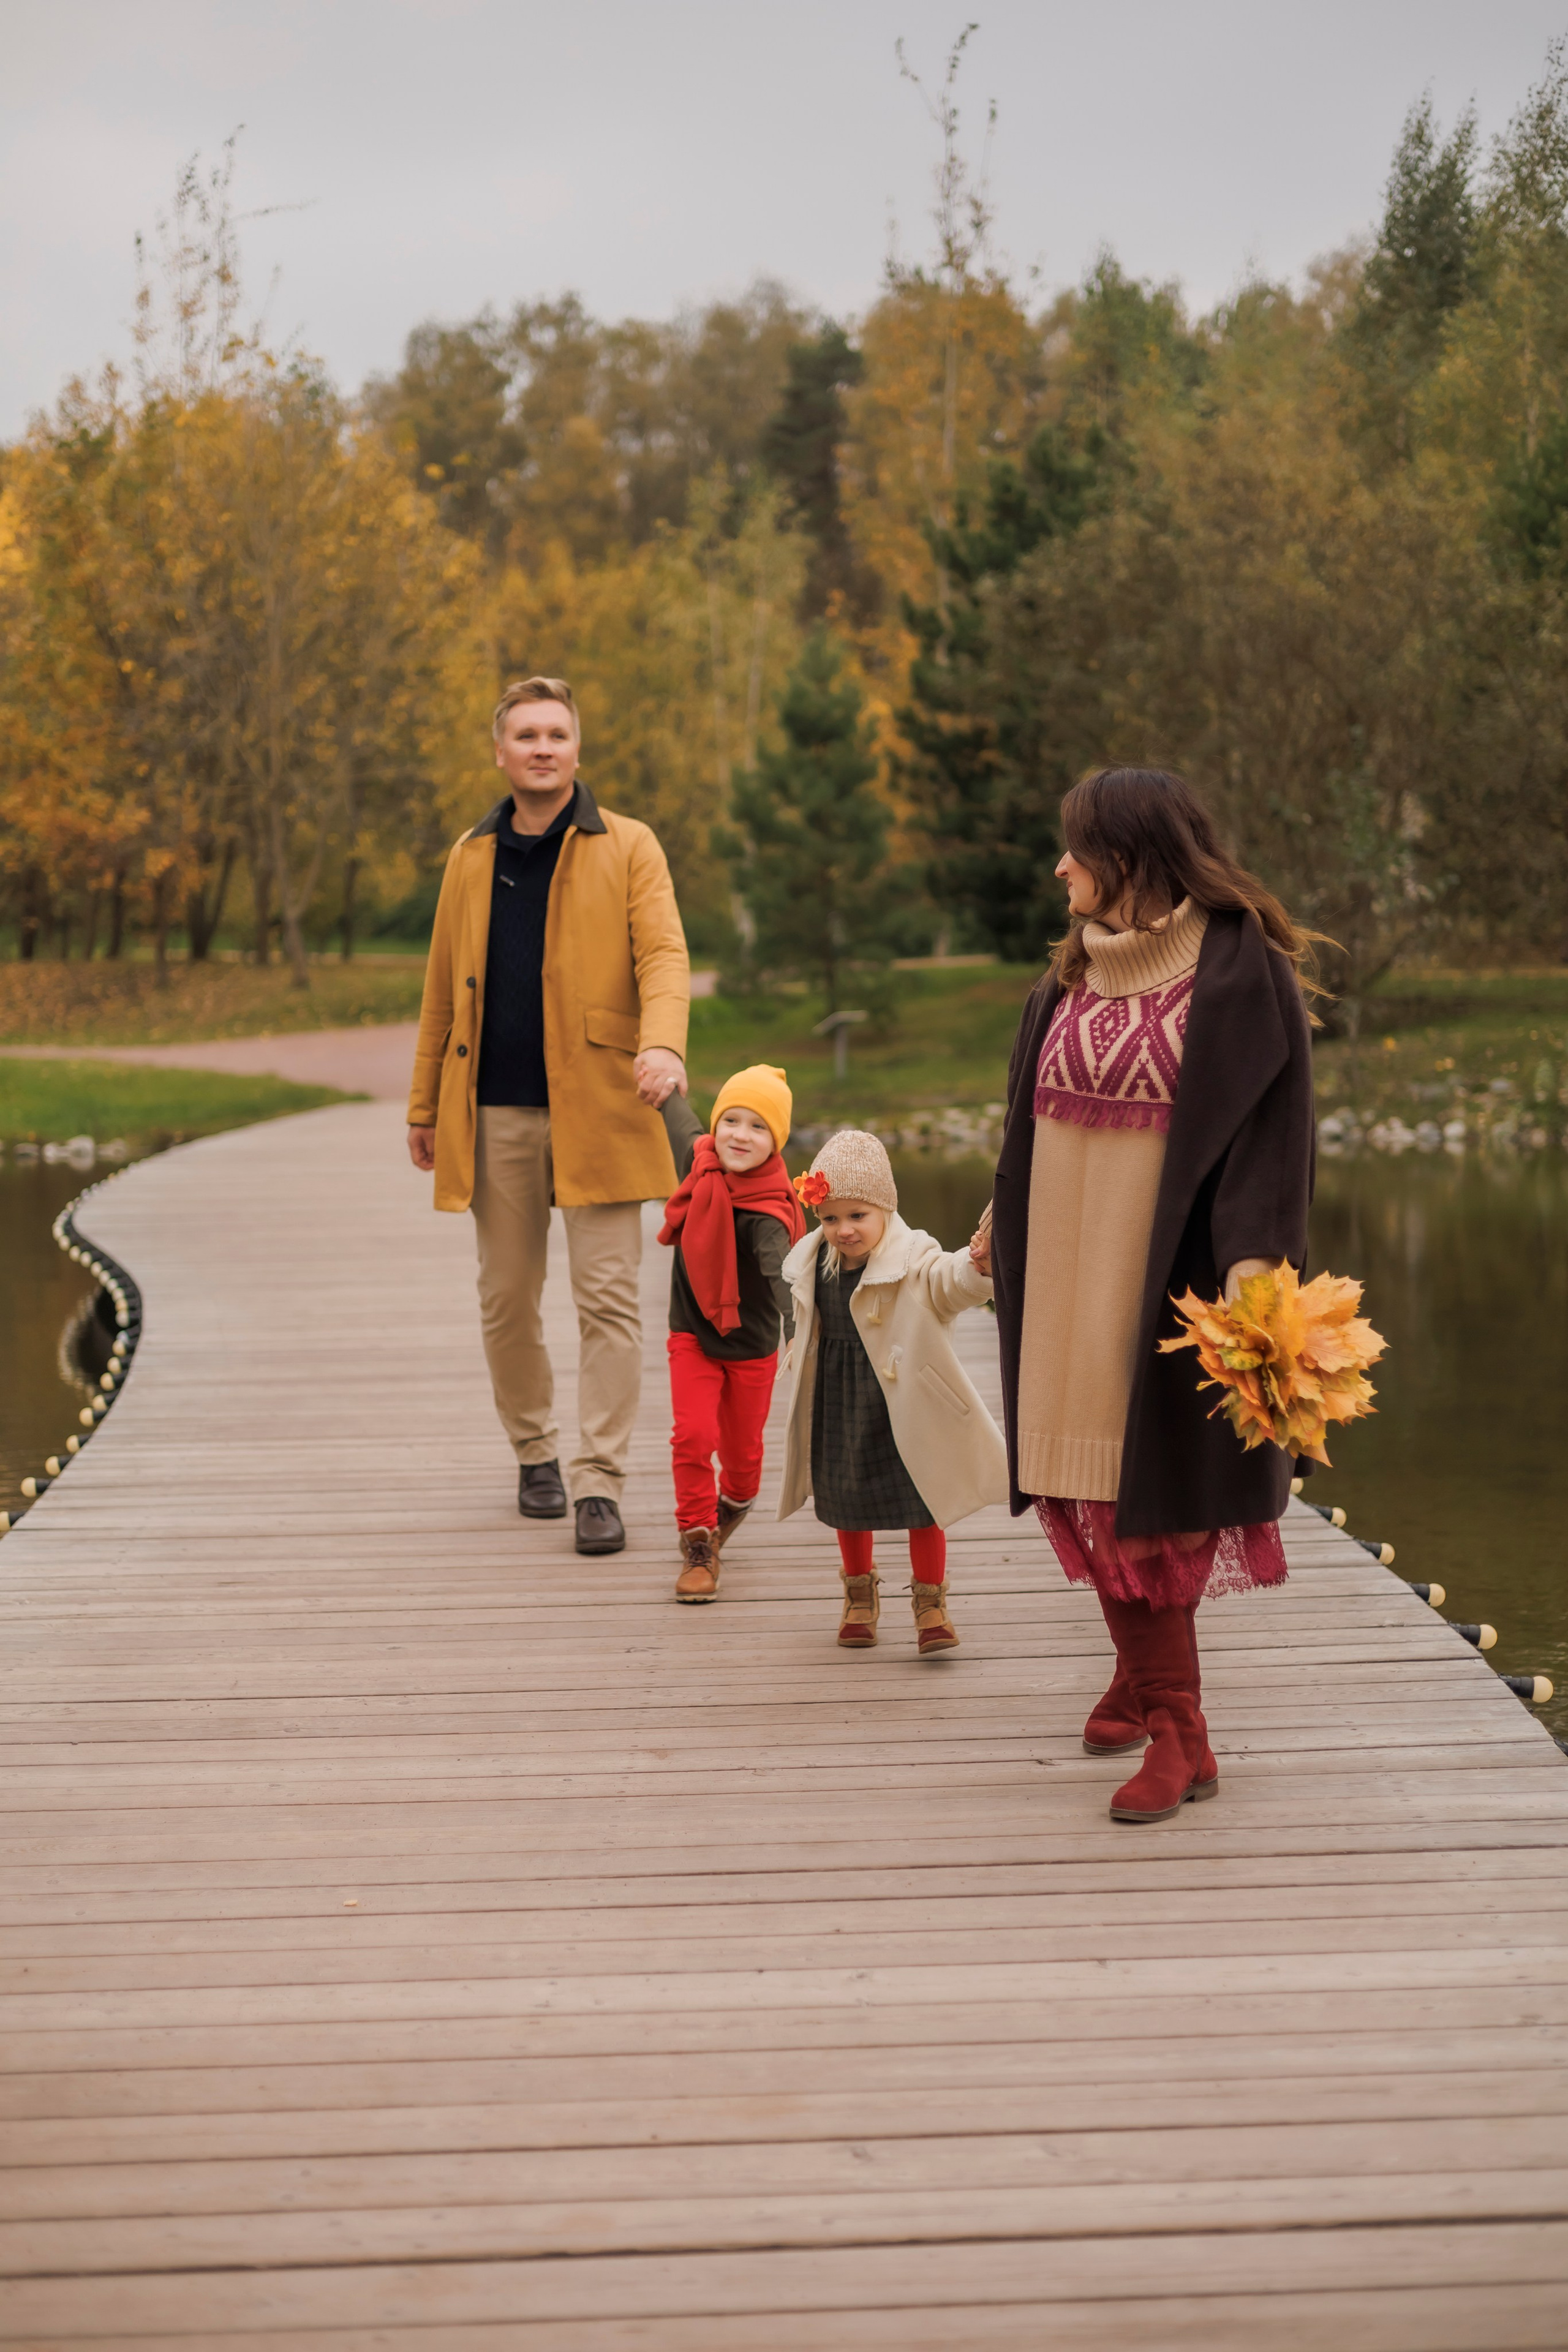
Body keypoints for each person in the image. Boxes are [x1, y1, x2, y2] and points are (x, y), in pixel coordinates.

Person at [980, 766, 1316, 1823]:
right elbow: (1026, 1127)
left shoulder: (1237, 977)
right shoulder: (1070, 972)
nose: (1060, 867)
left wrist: (1254, 1275)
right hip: (1062, 1285)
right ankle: (1143, 1682)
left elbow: (1273, 1139)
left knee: (1149, 1513)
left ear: (1130, 858)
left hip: (1161, 1296)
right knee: (1088, 1490)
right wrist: (999, 1218)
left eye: (1077, 849)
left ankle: (1184, 1736)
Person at [406, 676, 690, 1557]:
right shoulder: (469, 856)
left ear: (576, 749)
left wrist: (667, 1046)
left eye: (556, 733)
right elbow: (439, 992)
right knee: (505, 1298)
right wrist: (424, 1105)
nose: (541, 747)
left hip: (604, 1107)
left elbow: (665, 956)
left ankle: (599, 1481)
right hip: (494, 1113)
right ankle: (535, 1453)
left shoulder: (629, 845)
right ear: (500, 753)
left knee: (608, 1301)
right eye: (525, 734)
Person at [775, 1129, 1007, 1656]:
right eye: (831, 1218)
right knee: (844, 1497)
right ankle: (859, 1596)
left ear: (884, 1210)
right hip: (837, 1396)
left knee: (922, 1499)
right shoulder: (811, 1263)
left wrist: (978, 1268)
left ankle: (931, 1603)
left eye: (858, 1215)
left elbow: (950, 1284)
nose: (844, 1229)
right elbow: (802, 1320)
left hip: (902, 1401)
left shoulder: (915, 1257)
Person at [657, 1065, 805, 1602]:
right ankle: (698, 1540)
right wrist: (664, 1088)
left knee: (742, 1463)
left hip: (751, 1349)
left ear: (777, 1141)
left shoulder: (769, 1217)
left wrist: (801, 1336)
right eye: (731, 1121)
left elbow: (784, 1279)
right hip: (692, 1335)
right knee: (693, 1436)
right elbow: (681, 1123)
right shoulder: (700, 1166)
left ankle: (732, 1507)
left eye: (758, 1127)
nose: (740, 1135)